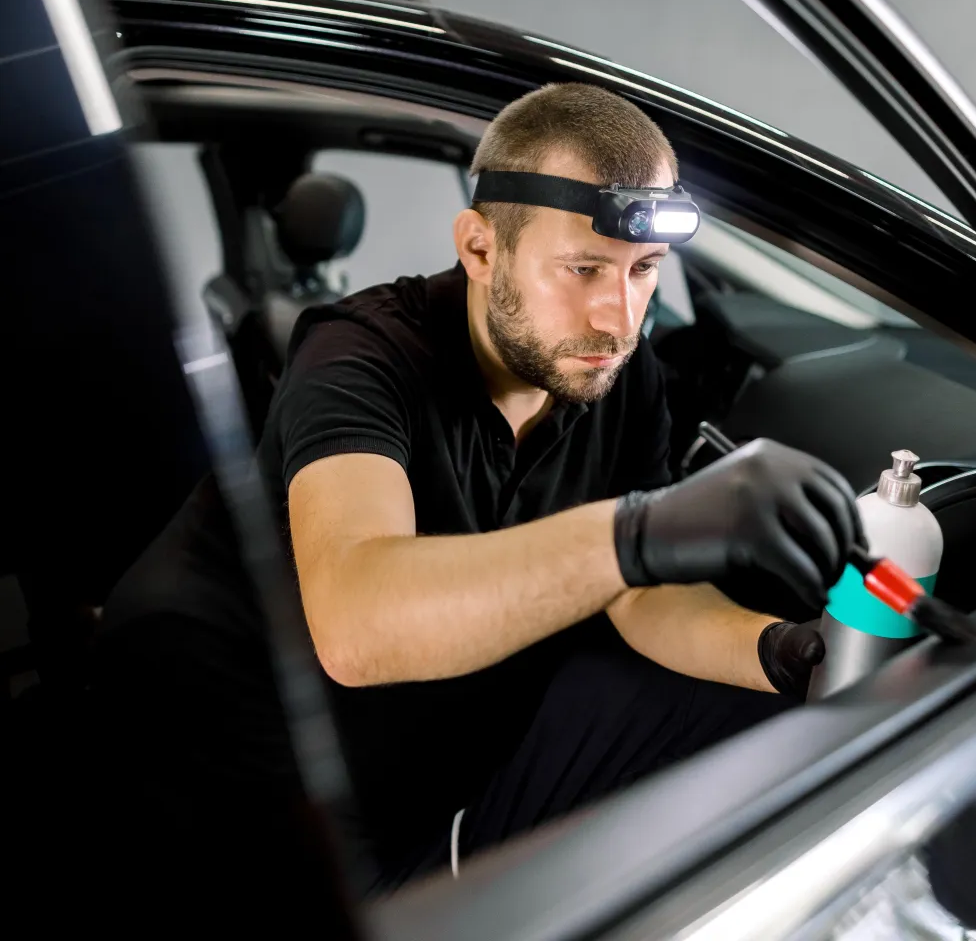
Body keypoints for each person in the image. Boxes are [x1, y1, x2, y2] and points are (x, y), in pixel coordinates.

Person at [93, 82, 859, 905]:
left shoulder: (612, 373)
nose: (619, 317)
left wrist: (781, 652)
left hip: (438, 767)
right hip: (258, 811)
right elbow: (355, 624)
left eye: (643, 271)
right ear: (480, 248)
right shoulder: (358, 359)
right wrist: (642, 529)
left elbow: (638, 595)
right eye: (583, 269)